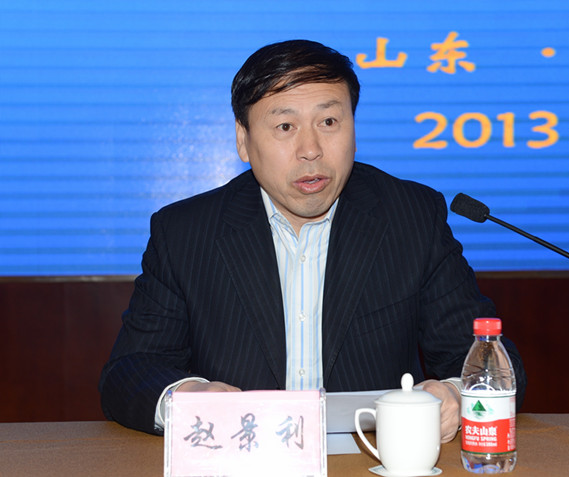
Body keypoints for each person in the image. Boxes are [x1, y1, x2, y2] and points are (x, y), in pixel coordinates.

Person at [99, 39, 526, 440]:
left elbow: (490, 359)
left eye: (329, 122)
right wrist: (187, 397)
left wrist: (454, 395)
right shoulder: (186, 232)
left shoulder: (411, 217)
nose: (311, 149)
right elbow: (131, 371)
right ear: (243, 141)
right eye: (285, 126)